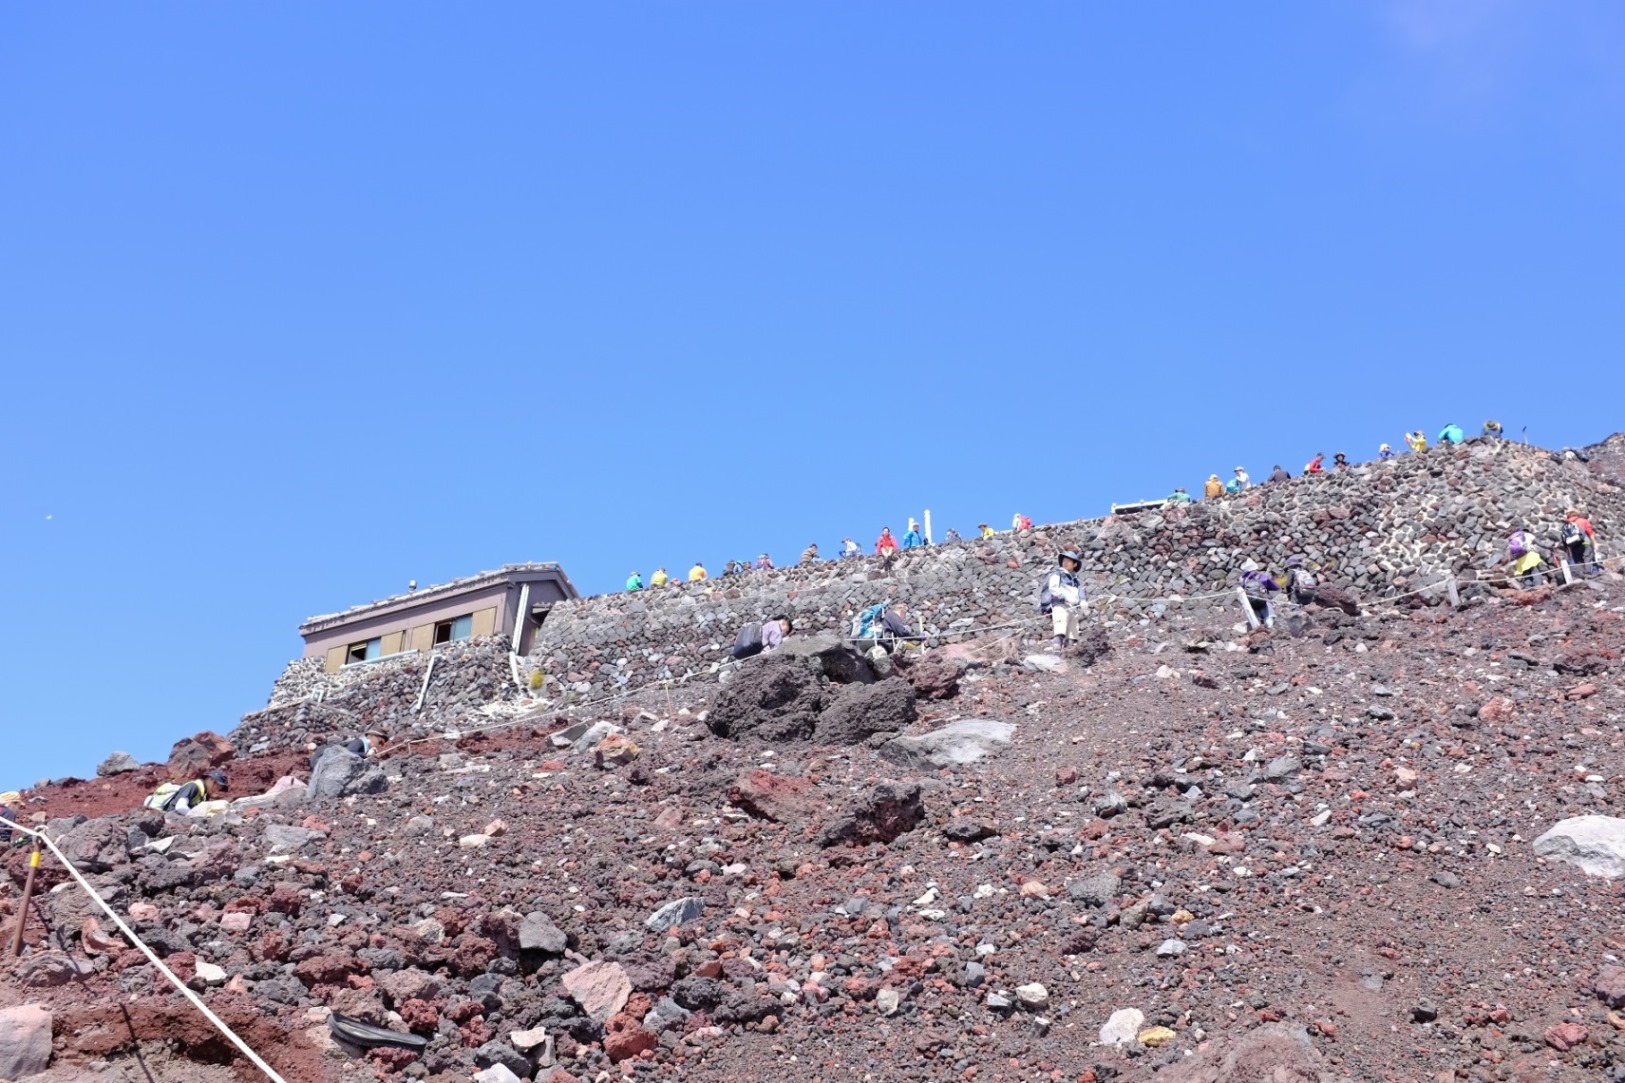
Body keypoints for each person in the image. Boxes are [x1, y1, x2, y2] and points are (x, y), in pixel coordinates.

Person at [1039, 549, 1087, 651]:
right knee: (1060, 626)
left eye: (1069, 561)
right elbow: (1053, 588)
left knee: (1073, 632)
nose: (1065, 562)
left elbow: (1080, 592)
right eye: (1064, 560)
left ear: (1074, 564)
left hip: (1073, 608)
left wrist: (1082, 601)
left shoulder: (1075, 580)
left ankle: (1070, 650)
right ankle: (1056, 646)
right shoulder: (1057, 574)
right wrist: (1064, 596)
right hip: (1060, 605)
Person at [144, 770, 228, 815]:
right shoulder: (193, 786)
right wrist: (195, 817)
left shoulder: (204, 795)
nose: (217, 790)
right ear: (210, 780)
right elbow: (180, 806)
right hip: (169, 816)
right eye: (218, 786)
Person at [311, 729, 387, 772]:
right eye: (380, 742)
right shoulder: (359, 742)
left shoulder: (362, 746)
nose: (380, 746)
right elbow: (347, 753)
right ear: (370, 736)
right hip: (320, 761)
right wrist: (366, 755)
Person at [1239, 559, 1279, 629]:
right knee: (1269, 620)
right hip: (1264, 602)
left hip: (1251, 604)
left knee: (1257, 623)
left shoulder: (1243, 580)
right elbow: (1275, 587)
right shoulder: (1263, 577)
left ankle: (1259, 630)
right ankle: (1270, 628)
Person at [1562, 511, 1597, 576]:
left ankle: (1582, 575)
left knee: (1578, 559)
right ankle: (1589, 573)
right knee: (1587, 556)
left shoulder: (1566, 524)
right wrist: (1594, 542)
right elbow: (1590, 532)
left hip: (1573, 545)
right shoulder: (1582, 521)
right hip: (1585, 542)